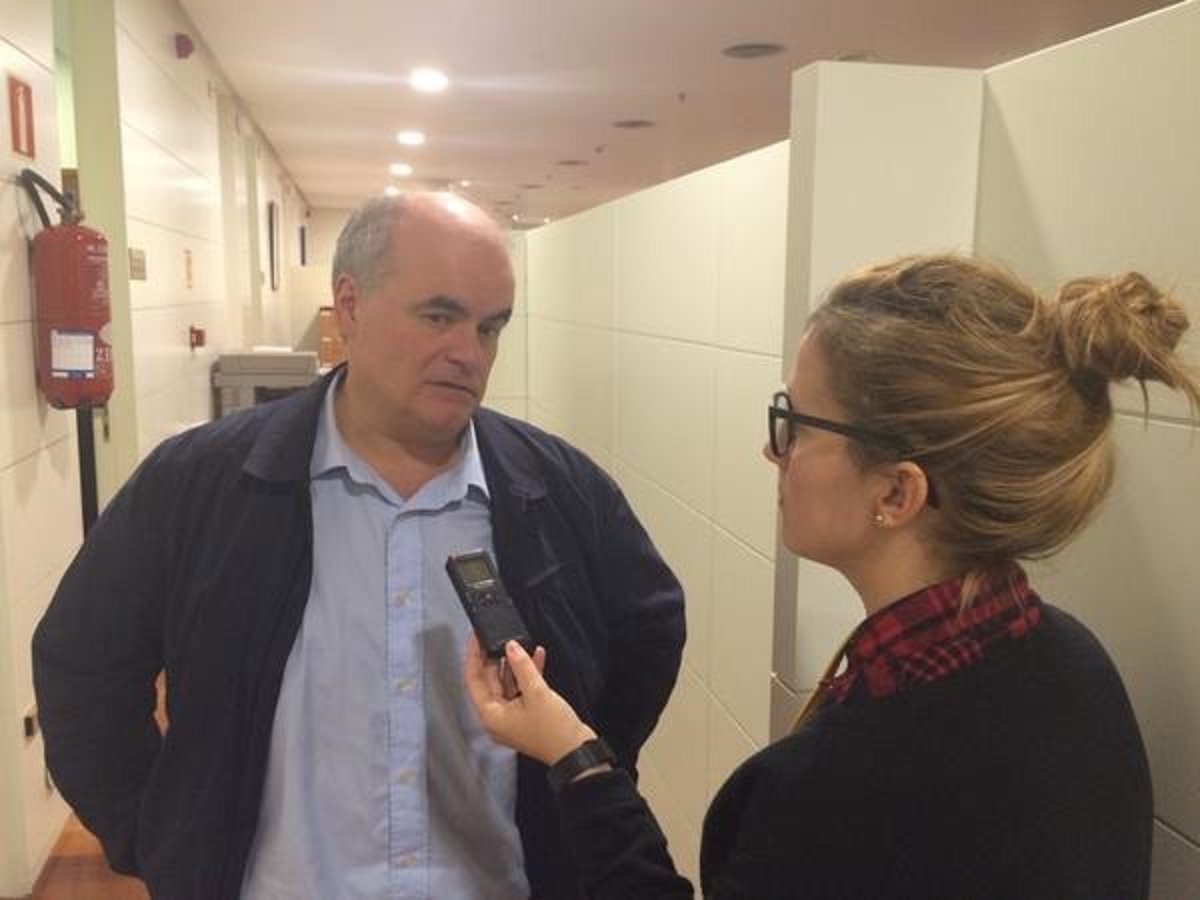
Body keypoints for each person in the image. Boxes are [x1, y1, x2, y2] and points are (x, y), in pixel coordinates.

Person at [467, 254, 1199, 899]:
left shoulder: (830, 791)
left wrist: (575, 759)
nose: (772, 450)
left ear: (897, 493)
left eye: (796, 422)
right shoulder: (1075, 663)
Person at [33, 191, 685, 899]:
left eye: (490, 327)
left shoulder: (559, 492)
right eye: (438, 316)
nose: (468, 353)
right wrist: (163, 834)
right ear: (349, 305)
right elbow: (84, 665)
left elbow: (647, 634)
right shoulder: (200, 485)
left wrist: (581, 781)